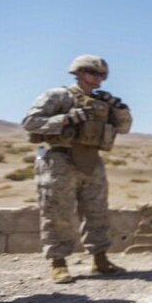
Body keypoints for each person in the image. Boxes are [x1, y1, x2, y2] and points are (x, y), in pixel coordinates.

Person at [22, 55, 132, 283]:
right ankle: (58, 263)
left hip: (91, 160)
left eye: (102, 75)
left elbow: (124, 127)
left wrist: (120, 109)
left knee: (97, 212)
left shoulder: (103, 103)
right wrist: (66, 119)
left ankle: (100, 260)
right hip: (59, 158)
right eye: (93, 73)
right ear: (79, 72)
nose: (98, 79)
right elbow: (30, 122)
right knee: (58, 212)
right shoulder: (57, 96)